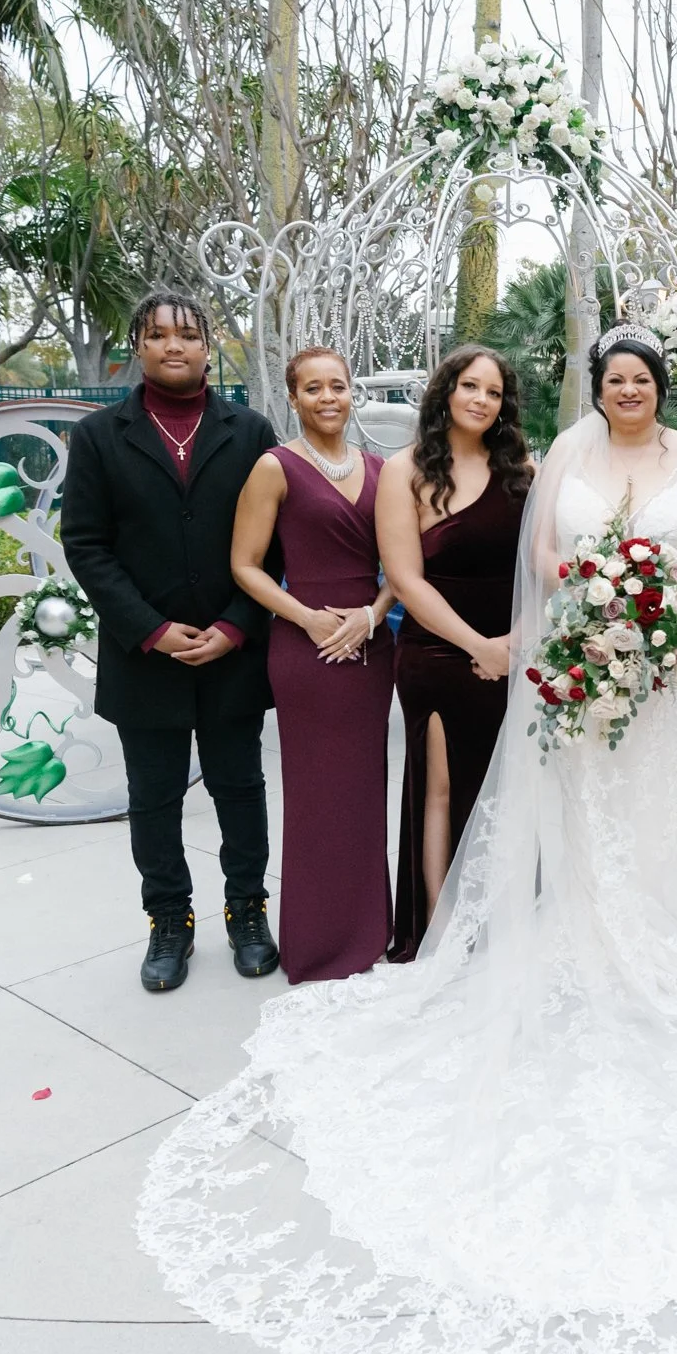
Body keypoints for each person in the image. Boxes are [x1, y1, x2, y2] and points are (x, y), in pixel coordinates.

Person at [138, 323, 677, 1354]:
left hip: (657, 672)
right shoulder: (560, 453)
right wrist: (592, 608)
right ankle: (564, 930)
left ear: (660, 386)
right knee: (569, 807)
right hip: (575, 659)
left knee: (651, 812)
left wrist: (662, 627)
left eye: (642, 377)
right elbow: (542, 561)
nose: (628, 388)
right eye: (614, 377)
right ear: (596, 388)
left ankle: (649, 937)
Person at [63, 292, 281, 993]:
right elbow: (86, 545)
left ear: (208, 348)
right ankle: (168, 920)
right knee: (153, 797)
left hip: (231, 652)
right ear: (139, 347)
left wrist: (236, 625)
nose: (173, 345)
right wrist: (151, 629)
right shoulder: (99, 436)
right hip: (144, 658)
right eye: (157, 335)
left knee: (239, 788)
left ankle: (248, 910)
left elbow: (277, 542)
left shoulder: (250, 431)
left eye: (187, 334)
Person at [228, 346, 396, 982]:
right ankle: (318, 944)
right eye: (314, 388)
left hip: (370, 650)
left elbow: (403, 568)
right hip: (306, 651)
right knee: (316, 797)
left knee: (364, 794)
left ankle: (368, 931)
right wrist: (308, 618)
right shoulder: (275, 467)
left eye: (338, 386)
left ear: (353, 393)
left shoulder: (381, 470)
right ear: (293, 398)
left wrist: (372, 616)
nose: (328, 398)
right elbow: (244, 565)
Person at [374, 343, 533, 961]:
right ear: (445, 390)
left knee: (502, 790)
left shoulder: (523, 469)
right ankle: (442, 935)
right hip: (437, 654)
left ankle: (496, 923)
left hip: (513, 651)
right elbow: (405, 580)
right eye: (470, 386)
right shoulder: (405, 470)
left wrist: (515, 642)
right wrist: (477, 646)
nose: (481, 400)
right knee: (438, 788)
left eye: (494, 392)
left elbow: (544, 568)